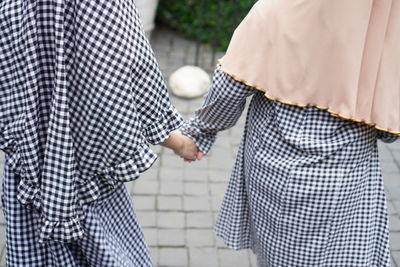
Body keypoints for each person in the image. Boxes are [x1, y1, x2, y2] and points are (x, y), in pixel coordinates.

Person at [181, 0, 400, 266]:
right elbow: (389, 129)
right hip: (349, 178)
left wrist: (198, 133)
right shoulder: (386, 13)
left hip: (280, 169)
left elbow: (232, 83)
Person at [0, 0, 198, 266]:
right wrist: (178, 142)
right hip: (90, 175)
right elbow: (137, 75)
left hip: (27, 175)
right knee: (110, 254)